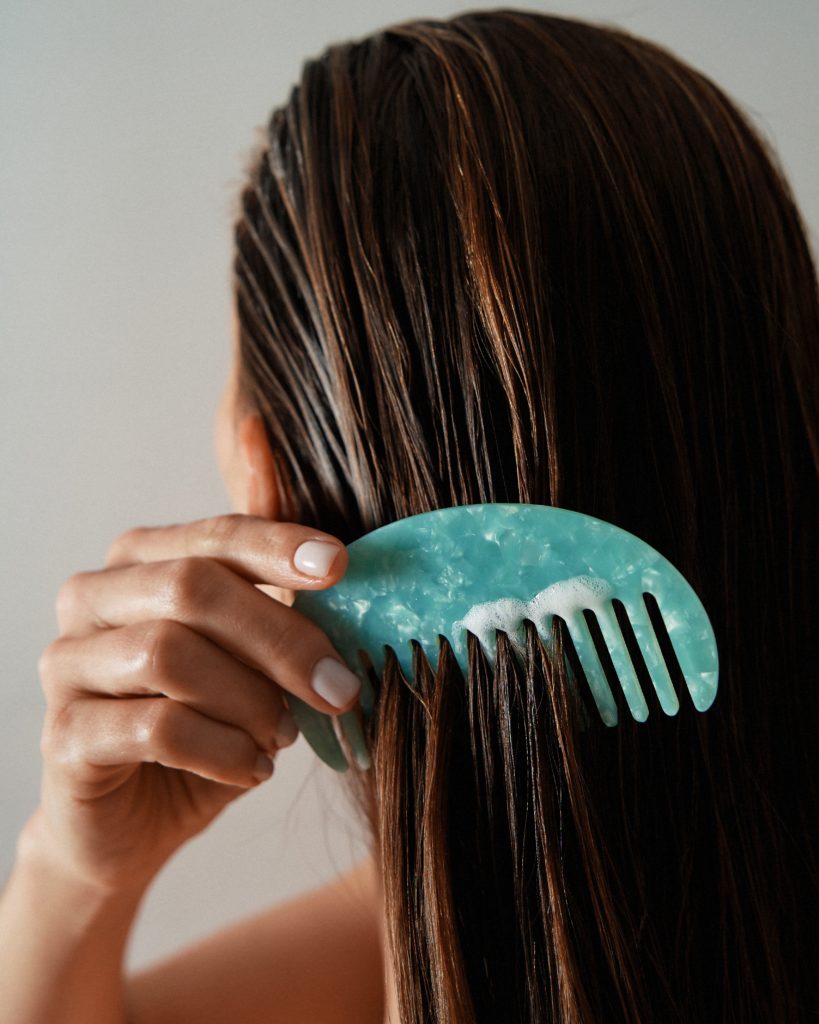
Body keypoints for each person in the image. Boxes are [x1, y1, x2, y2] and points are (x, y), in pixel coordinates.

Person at [1, 9, 817, 1022]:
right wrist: (74, 869)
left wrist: (73, 877)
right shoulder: (416, 935)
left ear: (262, 476)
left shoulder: (401, 951)